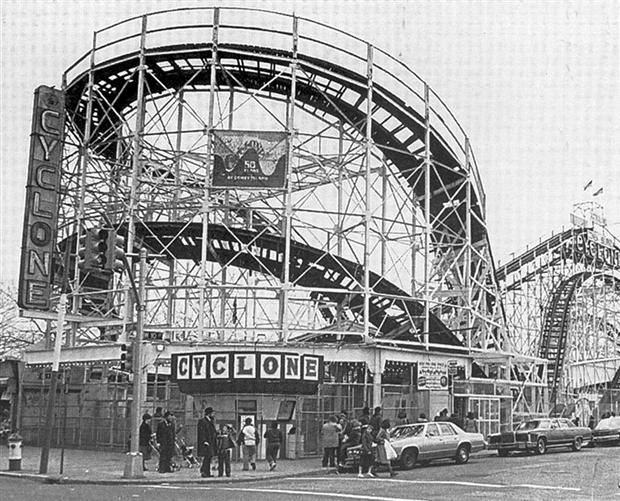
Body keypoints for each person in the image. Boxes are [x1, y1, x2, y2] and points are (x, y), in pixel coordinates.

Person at [197, 407, 217, 477]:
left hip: (211, 441)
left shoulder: (210, 421)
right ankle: (204, 471)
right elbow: (202, 432)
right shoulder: (202, 421)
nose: (214, 414)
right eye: (212, 413)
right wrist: (204, 440)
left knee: (209, 457)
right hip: (206, 442)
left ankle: (206, 472)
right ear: (209, 413)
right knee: (207, 456)